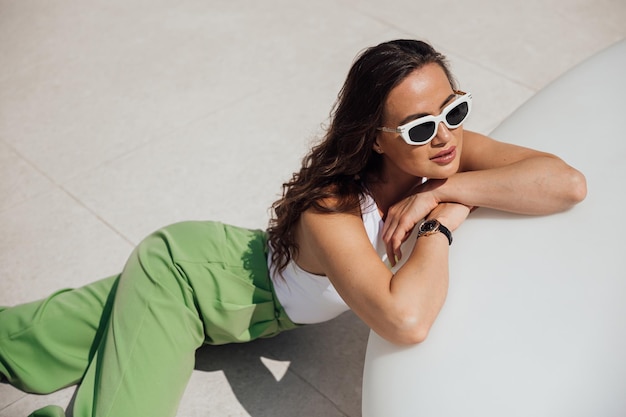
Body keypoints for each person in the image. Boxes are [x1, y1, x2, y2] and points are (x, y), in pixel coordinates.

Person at [0, 39, 586, 417]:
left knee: (23, 340)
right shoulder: (331, 208)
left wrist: (453, 194)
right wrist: (442, 227)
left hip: (230, 272)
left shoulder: (448, 160)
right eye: (417, 127)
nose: (444, 137)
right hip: (188, 279)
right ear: (373, 139)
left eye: (454, 111)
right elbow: (404, 319)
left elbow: (565, 182)